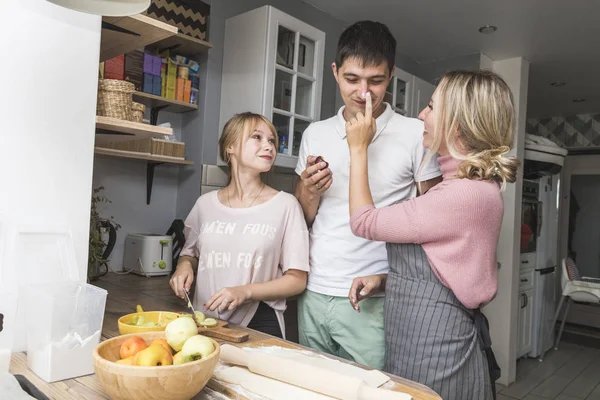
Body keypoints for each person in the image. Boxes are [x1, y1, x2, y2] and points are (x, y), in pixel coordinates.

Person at [346, 70, 519, 399]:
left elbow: (363, 221)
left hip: (435, 347)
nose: (422, 115)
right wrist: (385, 279)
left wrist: (358, 149)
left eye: (430, 106)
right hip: (420, 338)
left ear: (457, 122)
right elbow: (450, 263)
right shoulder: (471, 188)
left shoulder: (460, 196)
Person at [294, 20, 442, 369]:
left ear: (391, 75)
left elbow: (433, 224)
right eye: (352, 79)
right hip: (314, 289)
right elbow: (304, 216)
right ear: (335, 71)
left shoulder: (415, 133)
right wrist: (309, 191)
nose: (364, 93)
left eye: (375, 81)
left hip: (374, 296)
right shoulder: (315, 133)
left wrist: (389, 283)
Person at [170, 112, 309, 338]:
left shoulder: (286, 205)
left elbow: (297, 280)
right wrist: (183, 266)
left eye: (271, 141)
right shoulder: (205, 205)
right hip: (205, 320)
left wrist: (246, 292)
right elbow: (190, 254)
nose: (269, 147)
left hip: (260, 321)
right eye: (257, 137)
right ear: (230, 147)